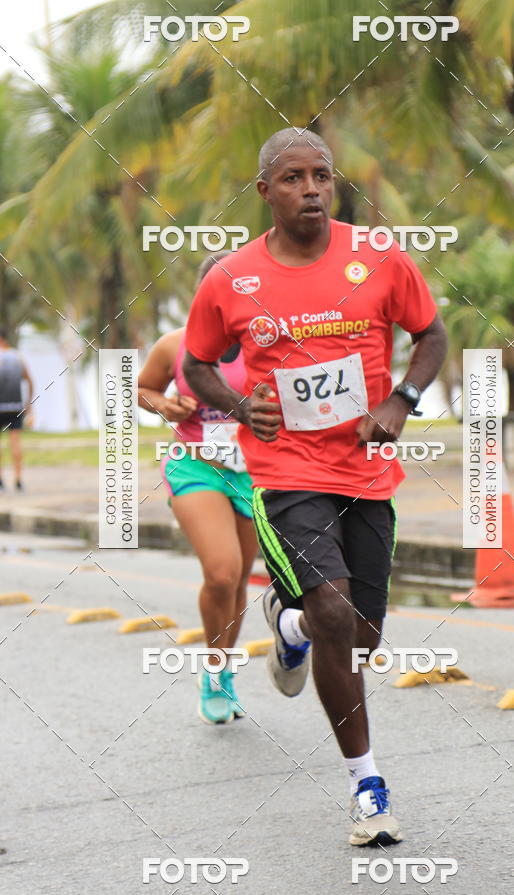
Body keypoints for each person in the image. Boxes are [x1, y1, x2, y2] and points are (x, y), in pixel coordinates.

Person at [183, 128, 448, 845]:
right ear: (266, 192)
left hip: (365, 470)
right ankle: (368, 787)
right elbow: (198, 362)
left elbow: (431, 335)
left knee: (358, 633)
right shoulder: (230, 279)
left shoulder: (379, 257)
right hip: (284, 473)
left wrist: (400, 402)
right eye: (294, 178)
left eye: (321, 176)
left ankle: (287, 626)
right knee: (334, 609)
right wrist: (242, 408)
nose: (311, 190)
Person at [137, 251, 257, 725]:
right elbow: (144, 389)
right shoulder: (175, 345)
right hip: (195, 466)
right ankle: (212, 669)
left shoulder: (262, 345)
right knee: (222, 573)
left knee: (241, 579)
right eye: (214, 290)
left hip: (254, 470)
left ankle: (225, 670)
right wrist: (166, 406)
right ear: (201, 294)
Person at [0, 329, 33, 492]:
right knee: (15, 443)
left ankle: (0, 480)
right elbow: (29, 380)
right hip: (15, 407)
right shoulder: (17, 356)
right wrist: (29, 404)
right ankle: (18, 480)